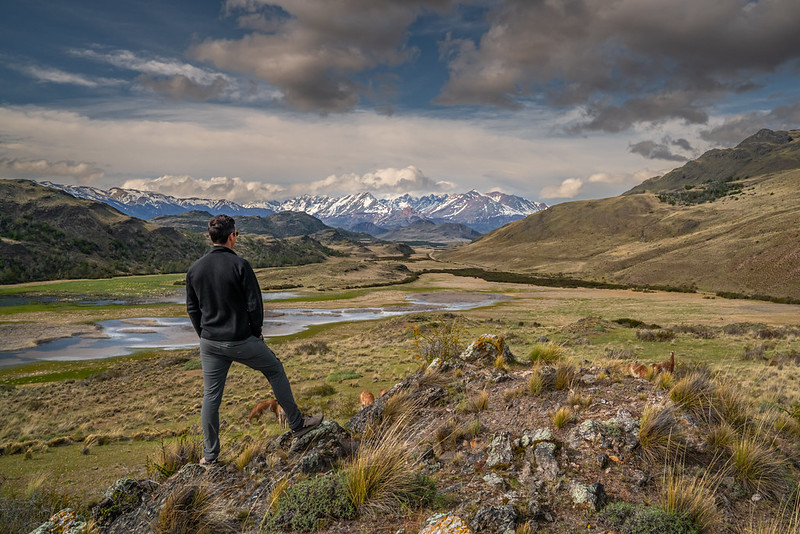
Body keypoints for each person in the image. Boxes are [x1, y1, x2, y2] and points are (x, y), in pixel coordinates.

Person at [186, 214, 323, 464]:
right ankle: (298, 423)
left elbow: (193, 309)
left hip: (210, 343)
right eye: (236, 235)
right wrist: (256, 332)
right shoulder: (240, 265)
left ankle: (210, 457)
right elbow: (254, 305)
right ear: (231, 236)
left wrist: (204, 335)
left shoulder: (195, 269)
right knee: (275, 369)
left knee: (211, 397)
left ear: (211, 237)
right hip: (240, 339)